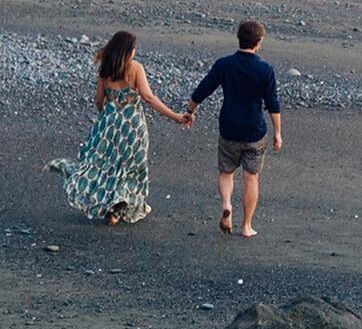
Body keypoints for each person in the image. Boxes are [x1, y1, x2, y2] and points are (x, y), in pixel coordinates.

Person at [52, 30, 187, 226]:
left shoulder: (105, 70)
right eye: (133, 49)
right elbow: (148, 97)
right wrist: (175, 117)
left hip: (110, 123)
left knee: (108, 166)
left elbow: (99, 100)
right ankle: (119, 208)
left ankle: (109, 207)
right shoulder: (135, 68)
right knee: (131, 167)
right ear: (128, 51)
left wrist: (106, 117)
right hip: (132, 125)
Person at [185, 20, 282, 238]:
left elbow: (204, 89)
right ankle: (247, 226)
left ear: (239, 38)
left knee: (226, 171)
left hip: (229, 127)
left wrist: (190, 110)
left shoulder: (224, 64)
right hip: (254, 130)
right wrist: (277, 133)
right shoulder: (265, 69)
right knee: (251, 177)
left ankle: (227, 204)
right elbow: (272, 103)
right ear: (258, 42)